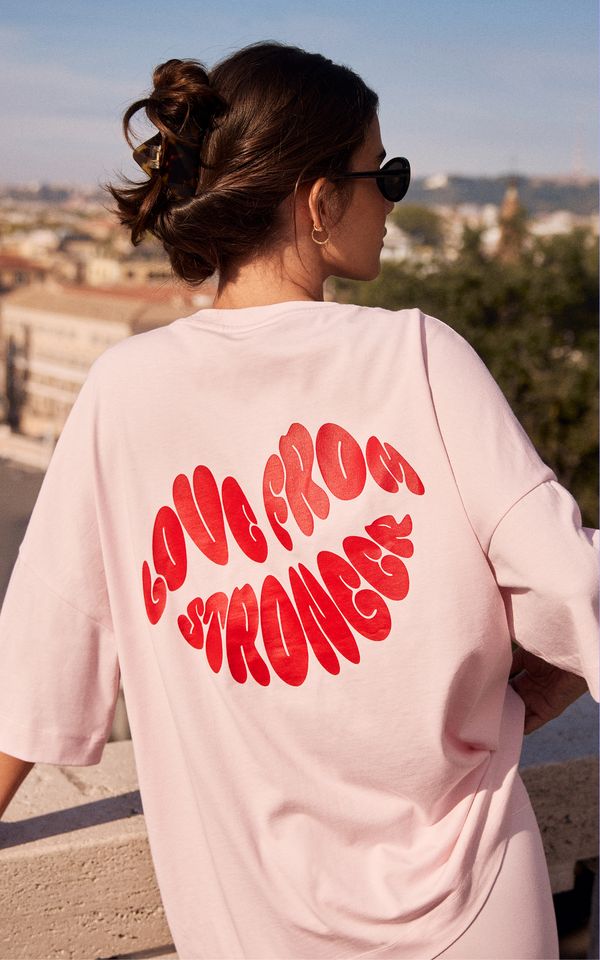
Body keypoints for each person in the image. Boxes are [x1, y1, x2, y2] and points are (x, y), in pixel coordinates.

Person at [0, 40, 597, 960]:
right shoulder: (422, 356)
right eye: (384, 173)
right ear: (320, 201)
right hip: (480, 903)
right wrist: (537, 686)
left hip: (254, 927)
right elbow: (572, 587)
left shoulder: (125, 391)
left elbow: (38, 662)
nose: (396, 201)